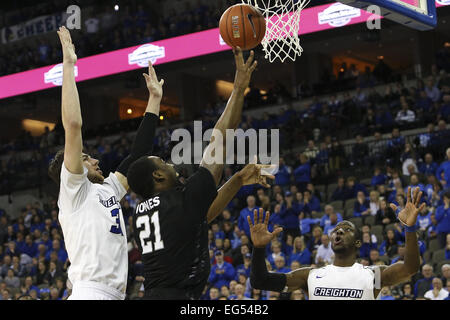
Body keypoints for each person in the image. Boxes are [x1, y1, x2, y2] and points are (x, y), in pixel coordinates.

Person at [127, 48, 269, 300]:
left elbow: (202, 214)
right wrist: (238, 89)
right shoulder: (177, 201)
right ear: (157, 177)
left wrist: (236, 180)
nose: (171, 164)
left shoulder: (144, 211)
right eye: (163, 163)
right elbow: (221, 140)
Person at [45, 27, 167, 300]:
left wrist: (154, 101)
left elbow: (138, 156)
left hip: (113, 294)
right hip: (91, 292)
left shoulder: (108, 189)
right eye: (87, 159)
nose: (96, 160)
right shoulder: (74, 191)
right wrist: (69, 65)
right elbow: (73, 125)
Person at [248, 187, 424, 300]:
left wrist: (409, 228)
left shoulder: (373, 275)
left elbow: (410, 267)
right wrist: (258, 248)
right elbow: (260, 281)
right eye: (336, 230)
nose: (339, 231)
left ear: (357, 243)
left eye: (346, 229)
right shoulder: (310, 276)